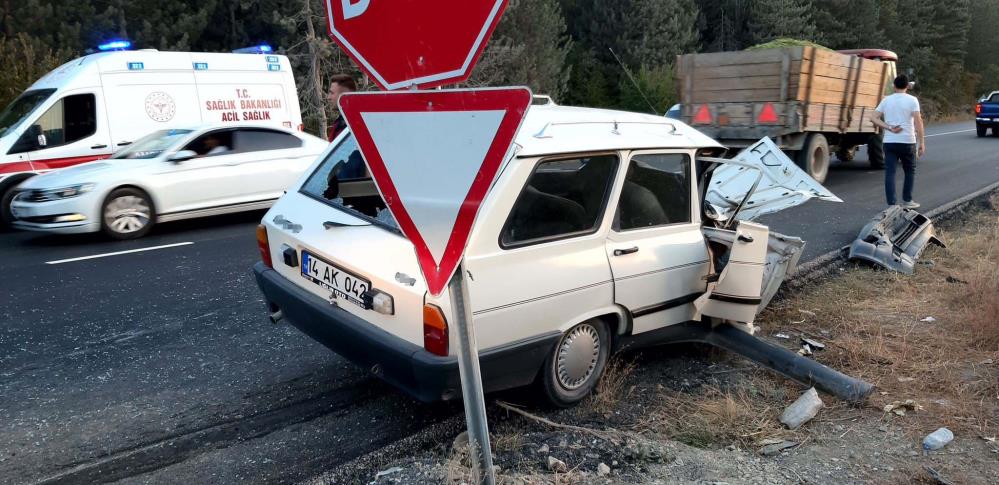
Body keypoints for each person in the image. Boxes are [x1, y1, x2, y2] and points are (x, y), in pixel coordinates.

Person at [871, 74, 925, 208]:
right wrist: (921, 142)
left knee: (890, 172)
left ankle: (892, 204)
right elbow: (918, 122)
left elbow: (873, 118)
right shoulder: (913, 100)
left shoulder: (886, 100)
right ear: (907, 86)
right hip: (908, 141)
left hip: (890, 142)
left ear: (894, 86)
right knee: (909, 171)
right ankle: (907, 201)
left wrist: (888, 127)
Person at [327, 74, 356, 141]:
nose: (328, 97)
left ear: (344, 96)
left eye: (332, 93)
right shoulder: (340, 122)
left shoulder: (353, 125)